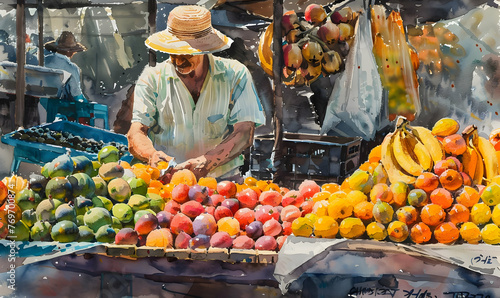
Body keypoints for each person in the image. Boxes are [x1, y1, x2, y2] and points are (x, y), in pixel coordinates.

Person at [127, 5, 266, 181]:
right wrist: (151, 155)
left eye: (185, 53)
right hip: (167, 181)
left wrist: (208, 162)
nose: (178, 60)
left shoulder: (235, 74)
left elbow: (245, 132)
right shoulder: (152, 77)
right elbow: (136, 132)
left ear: (203, 48)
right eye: (172, 52)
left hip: (222, 182)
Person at [43, 31, 88, 103]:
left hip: (40, 103)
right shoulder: (72, 68)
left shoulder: (45, 60)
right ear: (71, 52)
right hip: (59, 107)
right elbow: (76, 95)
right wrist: (87, 103)